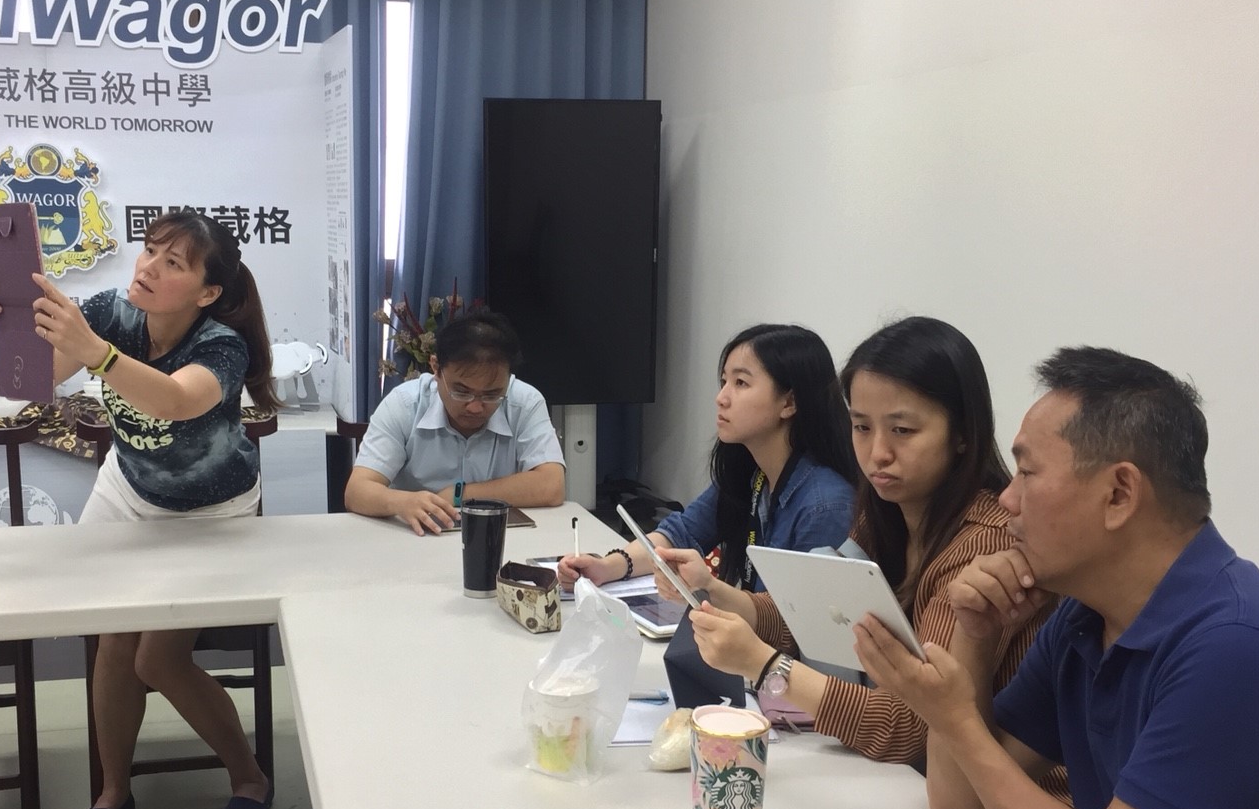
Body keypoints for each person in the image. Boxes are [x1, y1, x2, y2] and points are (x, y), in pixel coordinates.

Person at [854, 347, 1259, 809]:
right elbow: (958, 802)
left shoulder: (1244, 650)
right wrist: (977, 636)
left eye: (1027, 472)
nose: (1007, 499)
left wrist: (956, 719)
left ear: (1119, 494)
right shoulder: (1083, 618)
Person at [0, 208, 278, 809]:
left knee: (156, 658)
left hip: (211, 514)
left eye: (173, 262)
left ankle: (249, 778)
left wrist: (96, 352)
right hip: (129, 490)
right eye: (149, 250)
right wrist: (4, 327)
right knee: (112, 644)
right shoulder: (113, 310)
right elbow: (37, 377)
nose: (149, 268)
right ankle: (113, 792)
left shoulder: (222, 345)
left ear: (207, 293)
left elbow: (173, 401)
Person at [660, 317, 1056, 772]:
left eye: (902, 430)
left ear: (963, 433)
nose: (878, 453)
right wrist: (714, 592)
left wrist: (766, 667)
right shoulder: (885, 510)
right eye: (862, 427)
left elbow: (914, 726)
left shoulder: (983, 543)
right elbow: (815, 615)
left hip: (960, 790)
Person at [557, 323, 857, 596]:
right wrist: (607, 567)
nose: (721, 398)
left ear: (789, 402)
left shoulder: (825, 505)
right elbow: (682, 533)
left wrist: (709, 592)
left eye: (741, 383)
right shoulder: (753, 471)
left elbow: (795, 618)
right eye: (724, 381)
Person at [346, 310, 564, 534]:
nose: (475, 407)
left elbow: (552, 485)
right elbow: (357, 491)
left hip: (497, 538)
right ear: (435, 368)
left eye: (491, 395)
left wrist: (459, 494)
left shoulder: (524, 402)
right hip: (416, 538)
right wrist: (402, 502)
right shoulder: (405, 403)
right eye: (461, 392)